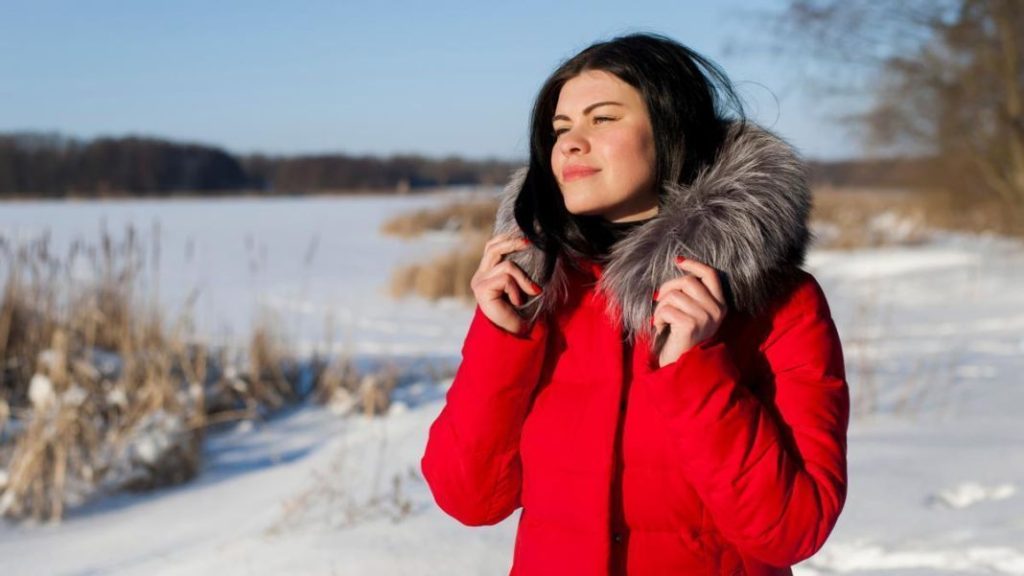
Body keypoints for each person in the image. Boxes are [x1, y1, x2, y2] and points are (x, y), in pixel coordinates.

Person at [420, 32, 849, 576]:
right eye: (560, 129)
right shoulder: (541, 290)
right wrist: (501, 340)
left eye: (602, 119)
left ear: (672, 129)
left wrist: (696, 369)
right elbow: (468, 499)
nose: (572, 143)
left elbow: (792, 529)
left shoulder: (777, 301)